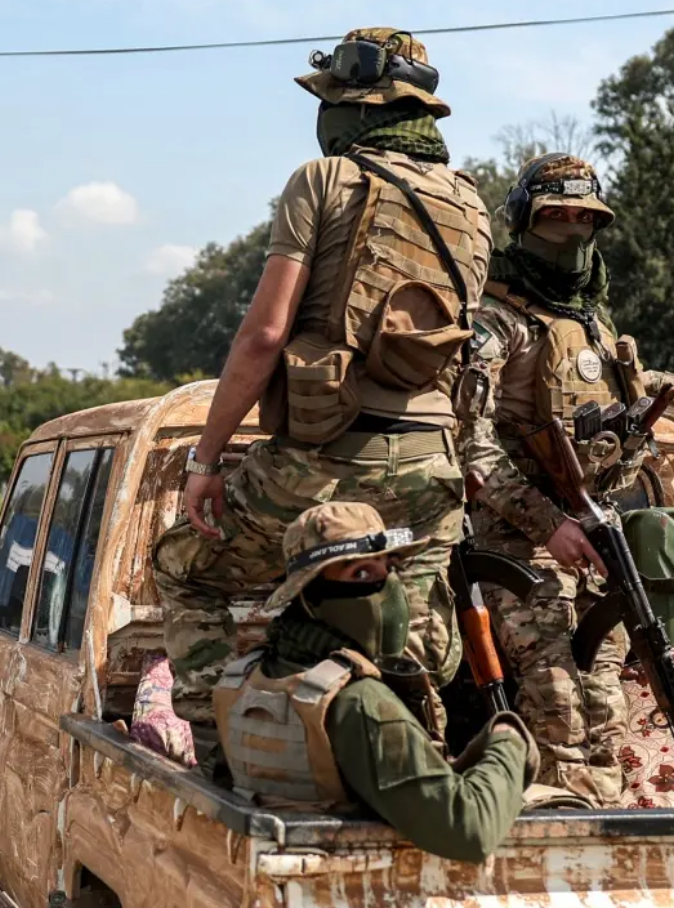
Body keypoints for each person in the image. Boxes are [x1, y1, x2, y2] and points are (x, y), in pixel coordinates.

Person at [153, 26, 493, 764]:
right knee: (412, 627)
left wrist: (205, 460)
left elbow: (264, 336)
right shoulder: (471, 202)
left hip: (326, 458)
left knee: (184, 569)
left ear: (353, 108)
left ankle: (223, 757)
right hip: (433, 468)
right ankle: (412, 763)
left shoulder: (323, 180)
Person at [456, 154, 674, 804]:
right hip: (516, 547)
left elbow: (620, 392)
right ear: (523, 223)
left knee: (605, 700)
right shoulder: (497, 324)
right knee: (556, 698)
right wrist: (547, 525)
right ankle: (551, 836)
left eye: (586, 220)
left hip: (591, 544)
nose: (572, 234)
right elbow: (470, 445)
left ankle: (599, 831)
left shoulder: (588, 318)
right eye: (555, 219)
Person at [215, 502, 536, 863]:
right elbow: (468, 831)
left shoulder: (245, 678)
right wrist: (508, 740)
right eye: (361, 575)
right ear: (311, 594)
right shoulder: (359, 701)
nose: (389, 590)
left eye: (391, 568)